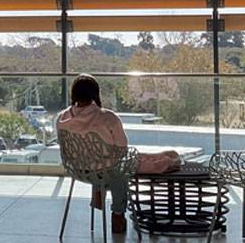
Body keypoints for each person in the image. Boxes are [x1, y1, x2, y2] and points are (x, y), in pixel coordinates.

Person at [56, 74, 180, 234]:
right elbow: (123, 147)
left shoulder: (61, 118)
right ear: (95, 93)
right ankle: (118, 214)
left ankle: (99, 194)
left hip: (78, 170)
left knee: (106, 164)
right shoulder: (107, 117)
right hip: (106, 169)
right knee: (119, 172)